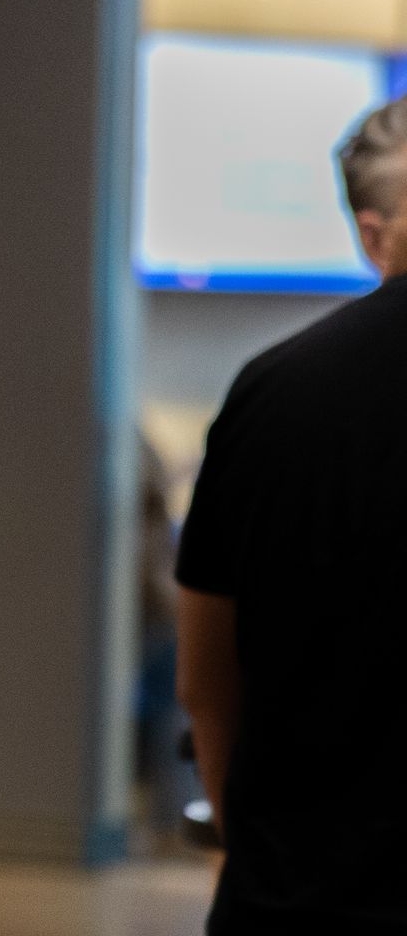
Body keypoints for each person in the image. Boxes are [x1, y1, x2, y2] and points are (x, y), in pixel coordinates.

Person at [176, 95, 407, 933]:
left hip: (291, 895)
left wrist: (258, 846)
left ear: (372, 232)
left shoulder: (272, 391)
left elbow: (203, 678)